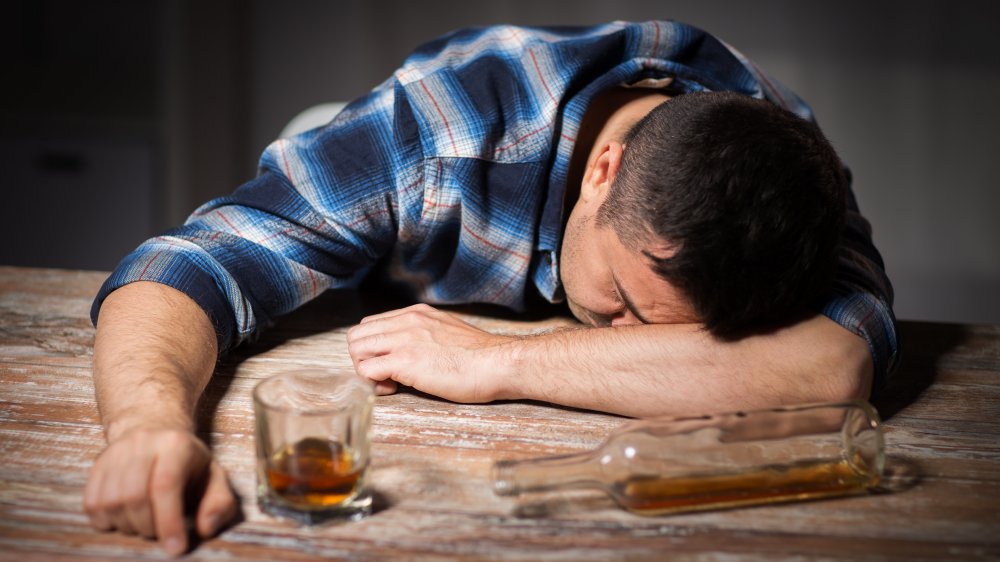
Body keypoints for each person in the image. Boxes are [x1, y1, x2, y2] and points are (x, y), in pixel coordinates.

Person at [83, 20, 897, 556]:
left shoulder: (787, 180)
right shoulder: (440, 134)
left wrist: (501, 362)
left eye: (672, 332)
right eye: (621, 298)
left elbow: (831, 370)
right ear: (604, 173)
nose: (625, 338)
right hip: (370, 261)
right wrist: (146, 427)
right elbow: (188, 265)